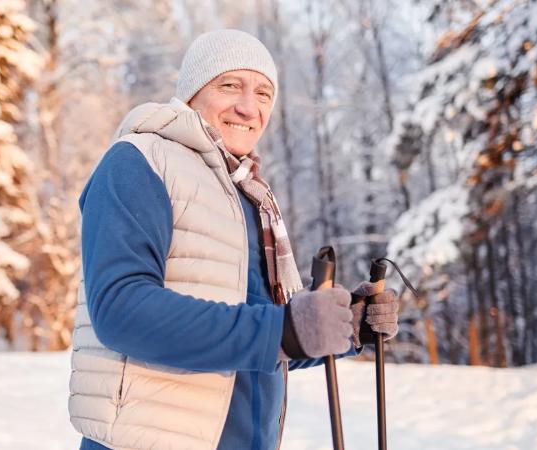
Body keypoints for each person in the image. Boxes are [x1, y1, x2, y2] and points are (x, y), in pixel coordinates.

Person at [68, 29, 399, 450]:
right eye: (230, 86)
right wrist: (282, 329)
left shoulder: (252, 196)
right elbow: (121, 310)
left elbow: (266, 335)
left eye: (263, 93)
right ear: (192, 92)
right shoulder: (139, 161)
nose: (248, 107)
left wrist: (347, 325)